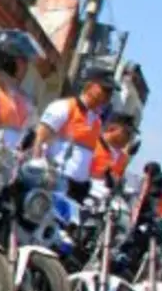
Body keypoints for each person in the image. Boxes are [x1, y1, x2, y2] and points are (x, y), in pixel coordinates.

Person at [31, 70, 115, 204]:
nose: (108, 96)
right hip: (55, 179)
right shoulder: (65, 107)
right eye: (105, 90)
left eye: (110, 92)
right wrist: (37, 166)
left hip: (78, 188)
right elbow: (40, 137)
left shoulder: (97, 121)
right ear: (90, 86)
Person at [90, 114, 135, 186]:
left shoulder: (123, 157)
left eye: (131, 134)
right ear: (112, 128)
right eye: (126, 132)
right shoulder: (92, 142)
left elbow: (117, 179)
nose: (129, 137)